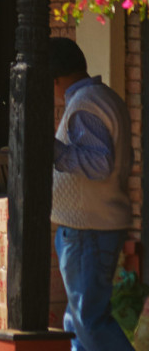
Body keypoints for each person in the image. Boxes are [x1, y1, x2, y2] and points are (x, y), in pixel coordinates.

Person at [50, 37, 133, 351]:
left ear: (56, 79)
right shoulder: (101, 97)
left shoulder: (85, 104)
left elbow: (99, 164)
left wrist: (55, 151)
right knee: (76, 323)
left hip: (89, 230)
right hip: (91, 228)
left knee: (88, 321)